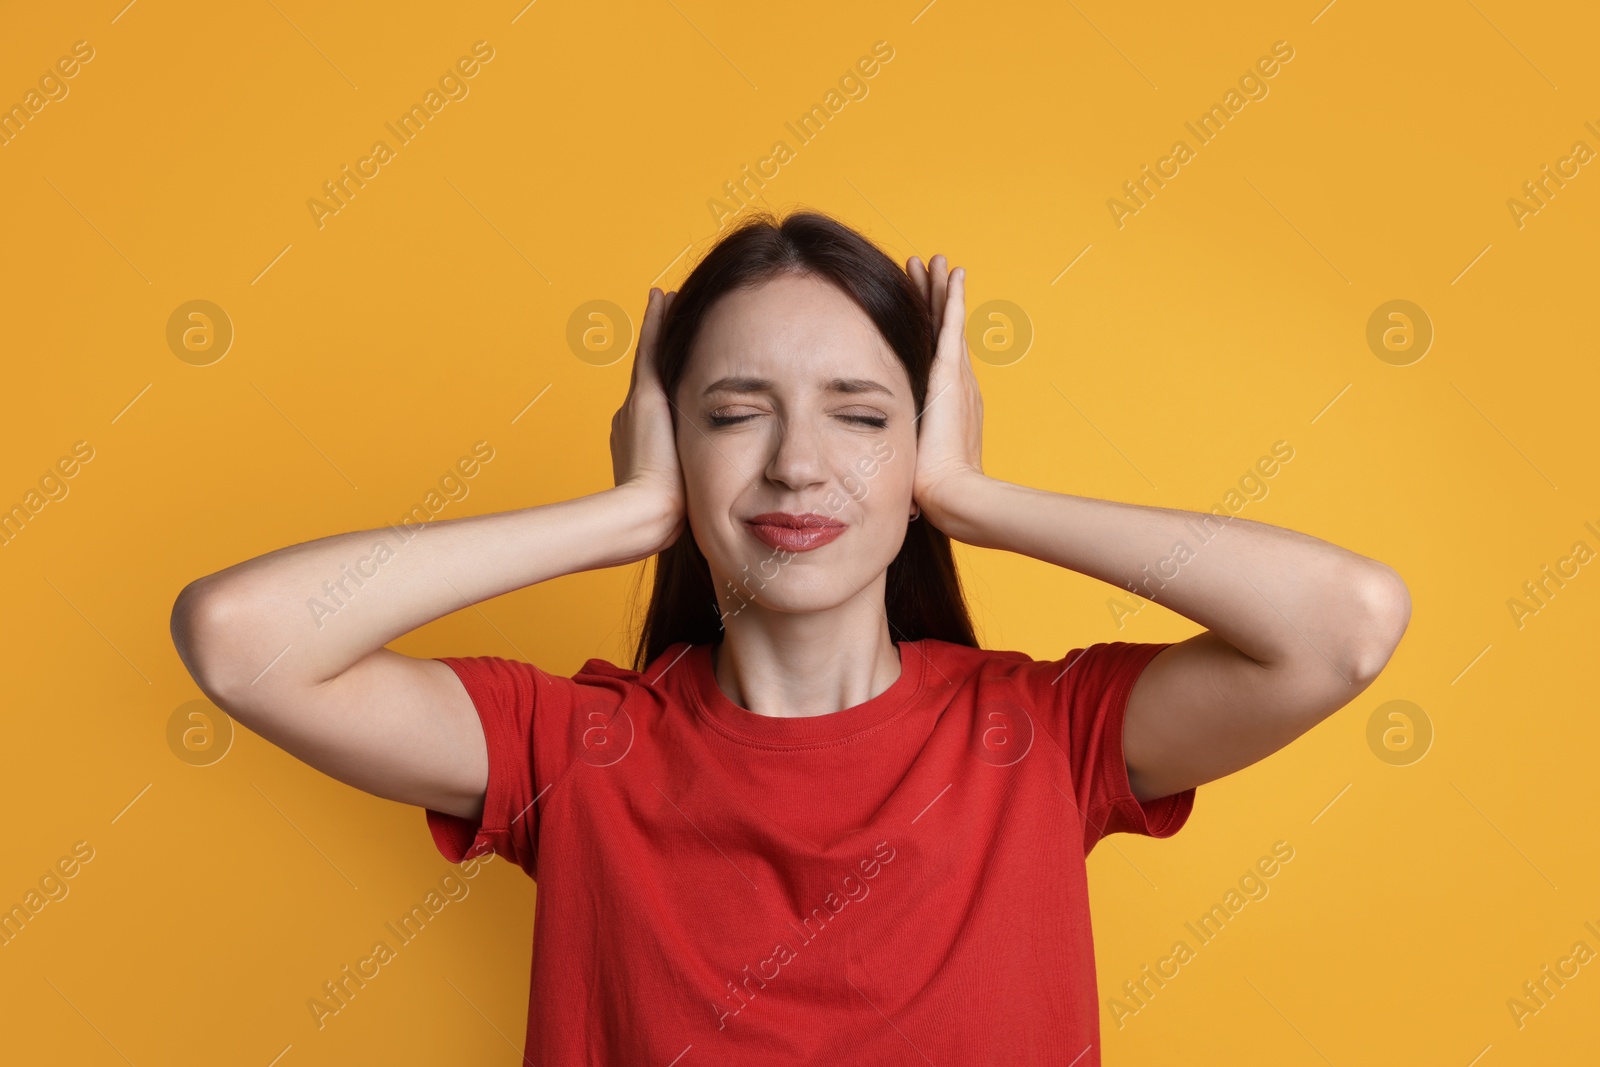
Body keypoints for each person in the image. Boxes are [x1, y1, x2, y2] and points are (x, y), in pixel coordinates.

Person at [168, 210, 1410, 1064]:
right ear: (673, 441)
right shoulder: (570, 747)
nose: (796, 464)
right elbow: (241, 637)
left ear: (921, 446)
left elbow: (1345, 625)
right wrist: (622, 518)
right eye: (733, 413)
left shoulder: (1040, 735)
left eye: (861, 416)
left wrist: (976, 497)